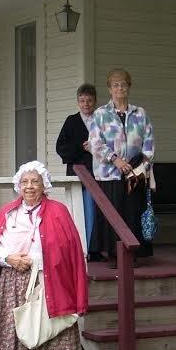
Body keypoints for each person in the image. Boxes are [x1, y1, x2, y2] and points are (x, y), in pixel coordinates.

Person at [0, 161, 88, 350]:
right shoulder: (8, 213)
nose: (29, 187)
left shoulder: (58, 212)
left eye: (35, 182)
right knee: (16, 338)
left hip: (45, 283)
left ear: (44, 185)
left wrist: (35, 261)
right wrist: (10, 259)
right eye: (25, 182)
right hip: (12, 283)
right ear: (18, 185)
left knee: (48, 338)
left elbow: (67, 251)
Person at [87, 68, 155, 268]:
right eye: (115, 85)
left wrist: (142, 165)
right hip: (109, 174)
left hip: (136, 174)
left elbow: (149, 142)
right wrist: (115, 160)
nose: (120, 88)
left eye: (123, 84)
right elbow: (95, 143)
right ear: (109, 89)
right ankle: (116, 256)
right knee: (113, 215)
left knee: (133, 213)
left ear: (129, 87)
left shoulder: (140, 114)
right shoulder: (100, 114)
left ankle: (133, 254)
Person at [55, 83, 101, 258]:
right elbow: (61, 147)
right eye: (82, 101)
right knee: (79, 210)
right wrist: (81, 147)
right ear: (78, 102)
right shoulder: (71, 121)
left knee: (95, 211)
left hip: (98, 172)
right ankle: (79, 248)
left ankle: (94, 249)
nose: (86, 104)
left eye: (89, 100)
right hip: (78, 172)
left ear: (95, 101)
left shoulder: (101, 119)